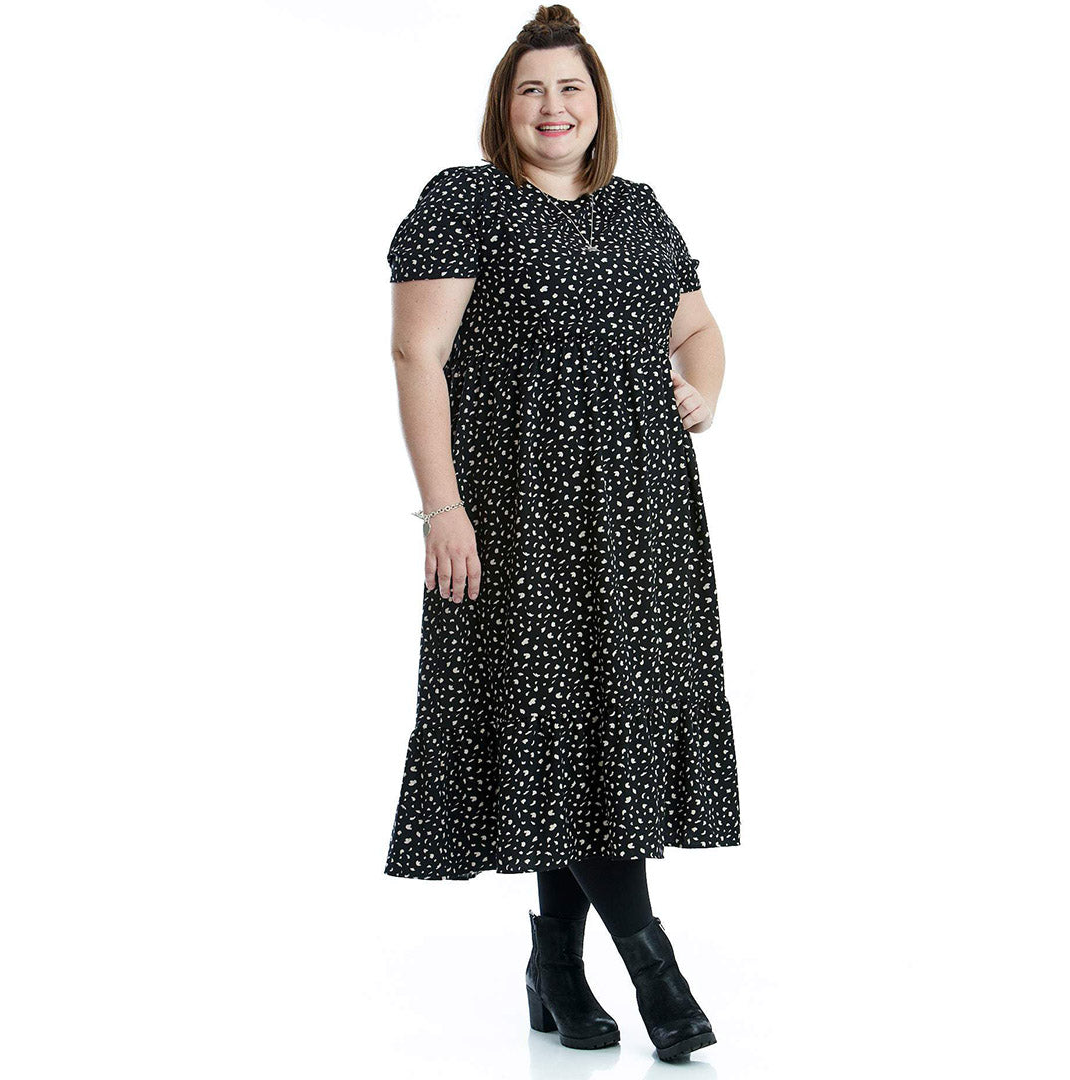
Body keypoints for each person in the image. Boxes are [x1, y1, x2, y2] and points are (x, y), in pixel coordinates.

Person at [383, 5, 741, 1062]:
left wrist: (702, 389)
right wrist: (443, 508)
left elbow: (698, 326)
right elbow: (415, 356)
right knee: (552, 717)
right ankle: (655, 970)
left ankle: (554, 967)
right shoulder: (464, 201)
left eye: (570, 87)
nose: (553, 106)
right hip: (521, 510)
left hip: (641, 514)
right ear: (506, 106)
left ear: (598, 103)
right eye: (532, 89)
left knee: (591, 729)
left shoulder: (639, 209)